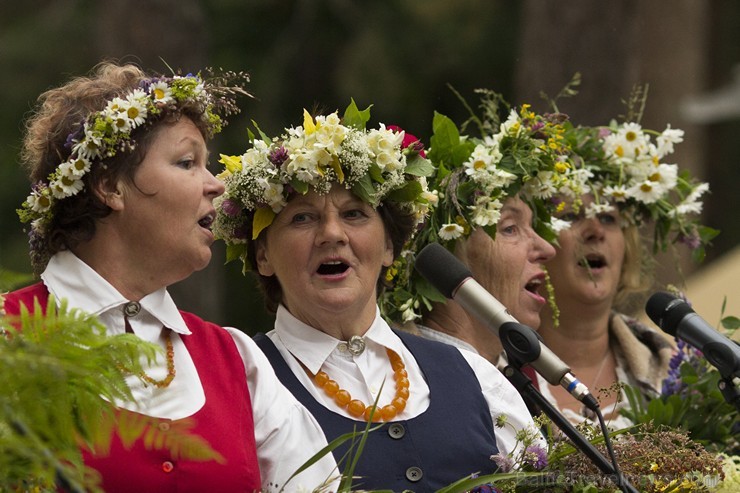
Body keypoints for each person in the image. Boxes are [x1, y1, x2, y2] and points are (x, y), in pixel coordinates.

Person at [3, 62, 336, 492]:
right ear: (110, 186)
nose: (215, 185)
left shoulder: (237, 359)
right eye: (187, 162)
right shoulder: (8, 337)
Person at [213, 103, 544, 491]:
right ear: (263, 254)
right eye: (302, 217)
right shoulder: (241, 385)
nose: (332, 234)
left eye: (354, 214)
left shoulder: (475, 376)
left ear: (389, 246)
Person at [534, 119, 712, 428]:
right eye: (571, 215)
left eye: (607, 217)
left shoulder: (674, 370)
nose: (594, 230)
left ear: (626, 246)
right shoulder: (495, 370)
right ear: (533, 245)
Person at [381, 102, 571, 365]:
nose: (548, 249)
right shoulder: (412, 380)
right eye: (510, 228)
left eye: (532, 228)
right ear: (442, 262)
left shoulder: (511, 379)